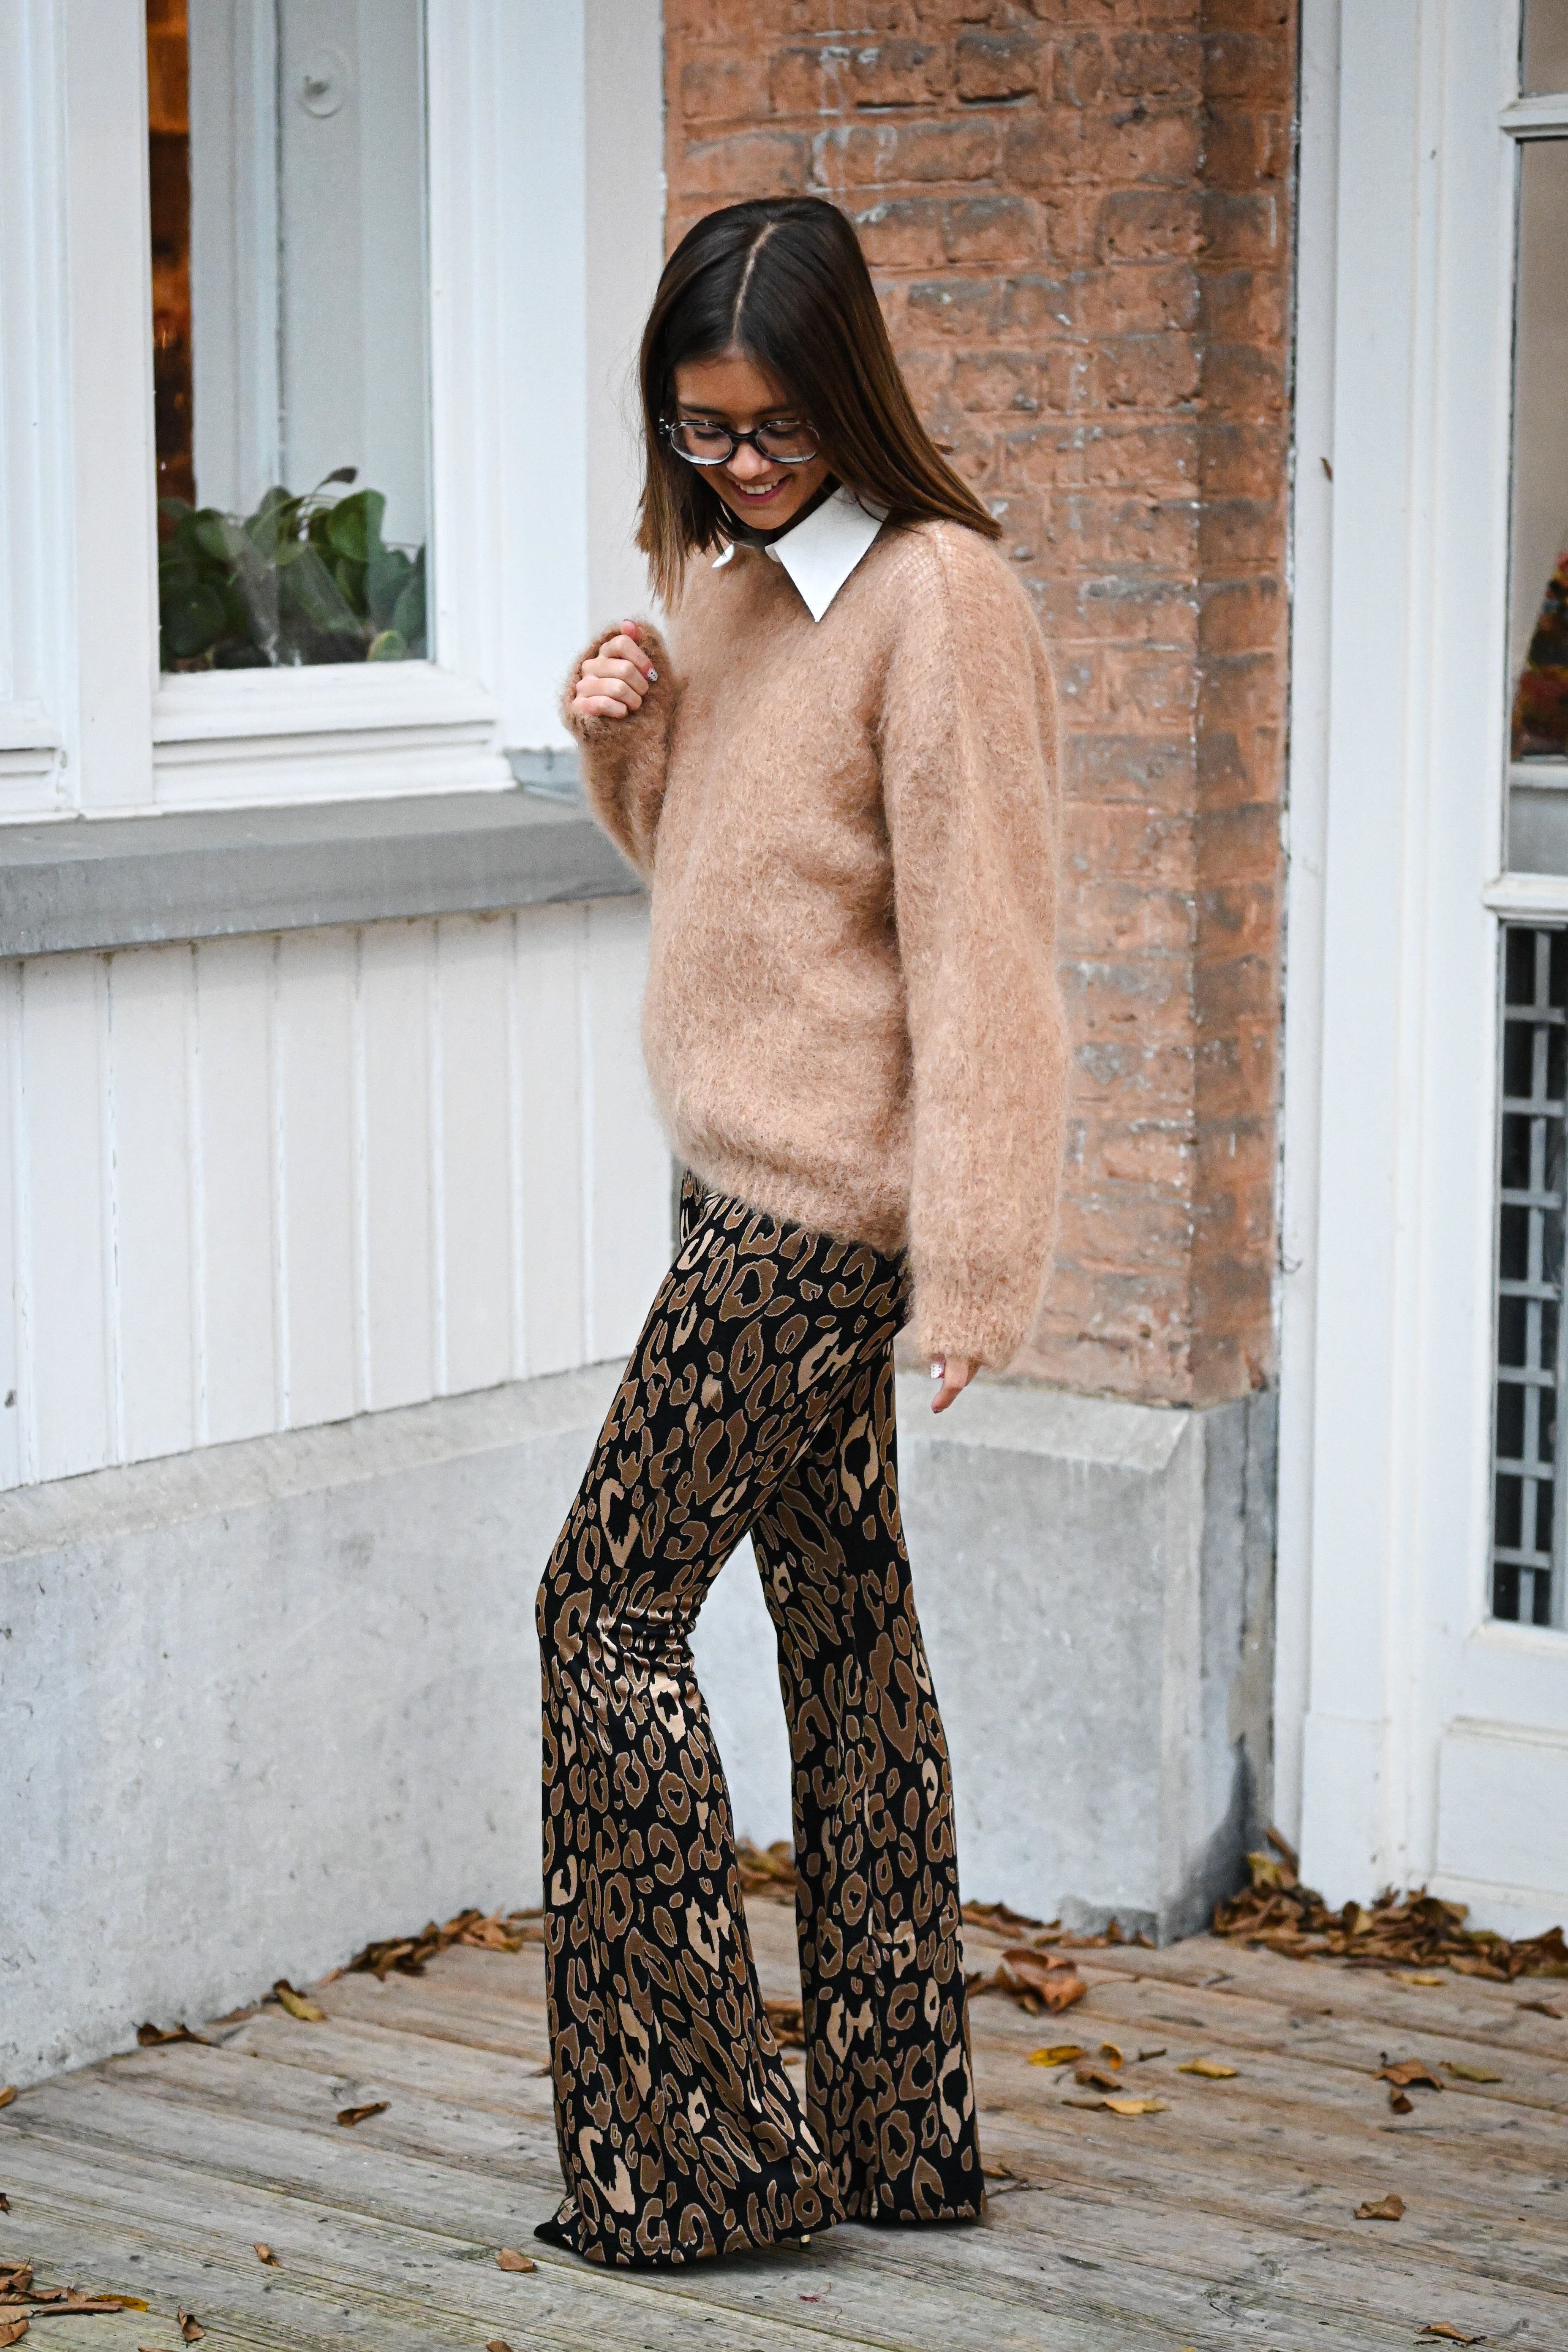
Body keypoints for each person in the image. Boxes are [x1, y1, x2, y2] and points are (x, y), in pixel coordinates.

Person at [535, 193, 1068, 2270]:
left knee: (603, 1613)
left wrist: (978, 1258)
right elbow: (711, 872)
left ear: (851, 393)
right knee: (846, 1638)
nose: (739, 463)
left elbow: (986, 945)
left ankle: (692, 2160)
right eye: (700, 428)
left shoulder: (941, 598)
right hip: (733, 1187)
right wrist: (629, 736)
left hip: (812, 1220)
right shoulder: (734, 588)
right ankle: (893, 2133)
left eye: (772, 426)